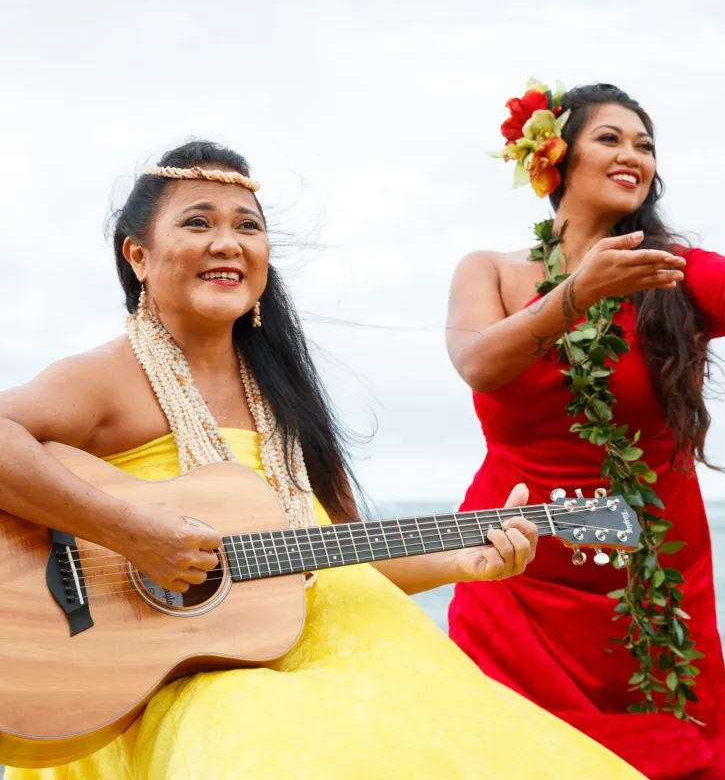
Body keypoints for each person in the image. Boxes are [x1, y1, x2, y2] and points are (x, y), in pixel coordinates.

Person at [0, 141, 645, 780]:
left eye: (247, 227)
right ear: (137, 255)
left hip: (334, 649)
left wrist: (464, 561)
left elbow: (336, 553)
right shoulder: (107, 379)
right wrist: (131, 533)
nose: (228, 243)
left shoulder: (287, 398)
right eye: (199, 221)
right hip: (163, 677)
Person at [445, 81, 725, 780]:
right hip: (515, 566)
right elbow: (479, 364)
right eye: (610, 138)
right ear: (556, 159)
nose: (632, 154)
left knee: (676, 758)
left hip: (651, 574)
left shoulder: (673, 274)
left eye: (645, 144)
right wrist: (576, 293)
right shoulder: (489, 270)